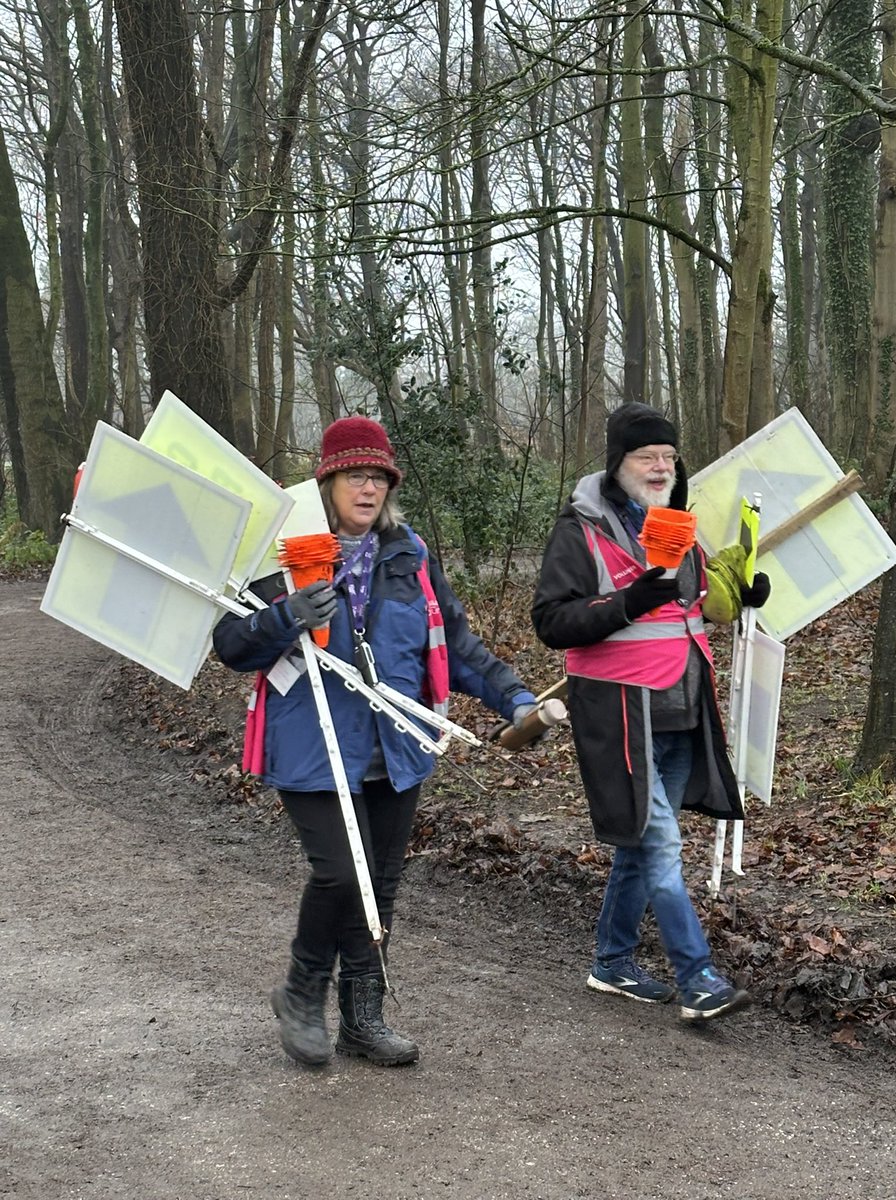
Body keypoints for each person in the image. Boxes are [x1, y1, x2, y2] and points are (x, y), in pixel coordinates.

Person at [214, 416, 537, 1067]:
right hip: (312, 746)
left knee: (379, 885)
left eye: (378, 478)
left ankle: (363, 1018)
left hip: (396, 745)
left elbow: (458, 647)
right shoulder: (281, 553)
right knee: (339, 873)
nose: (367, 488)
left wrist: (516, 698)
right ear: (327, 481)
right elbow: (229, 644)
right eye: (355, 476)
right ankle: (303, 993)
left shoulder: (408, 556)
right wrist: (285, 615)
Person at [531, 401, 770, 1022]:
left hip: (682, 713)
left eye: (668, 456)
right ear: (619, 464)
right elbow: (551, 622)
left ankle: (611, 962)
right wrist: (627, 603)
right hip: (621, 714)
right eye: (648, 457)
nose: (662, 467)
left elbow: (700, 607)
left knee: (640, 843)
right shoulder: (580, 531)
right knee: (661, 847)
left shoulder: (680, 525)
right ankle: (699, 981)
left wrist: (741, 594)